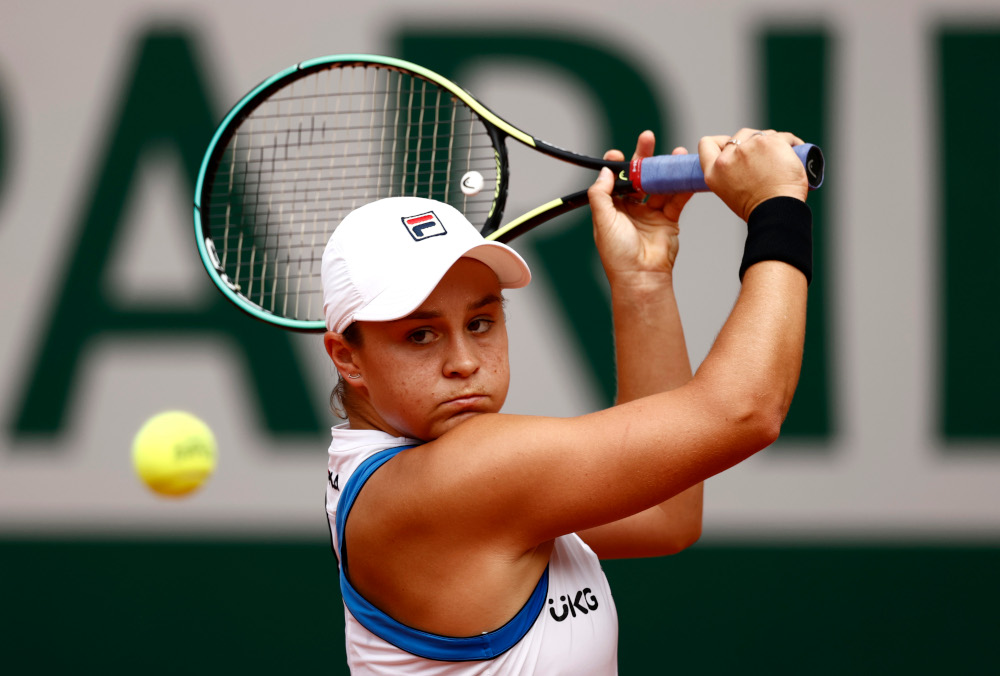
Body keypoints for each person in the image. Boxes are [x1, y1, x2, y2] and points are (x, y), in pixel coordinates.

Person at [322, 128, 812, 674]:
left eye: (481, 322)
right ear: (346, 358)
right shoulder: (454, 476)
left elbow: (664, 516)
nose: (464, 360)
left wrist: (642, 282)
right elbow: (745, 411)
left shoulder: (421, 478)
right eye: (421, 335)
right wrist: (777, 208)